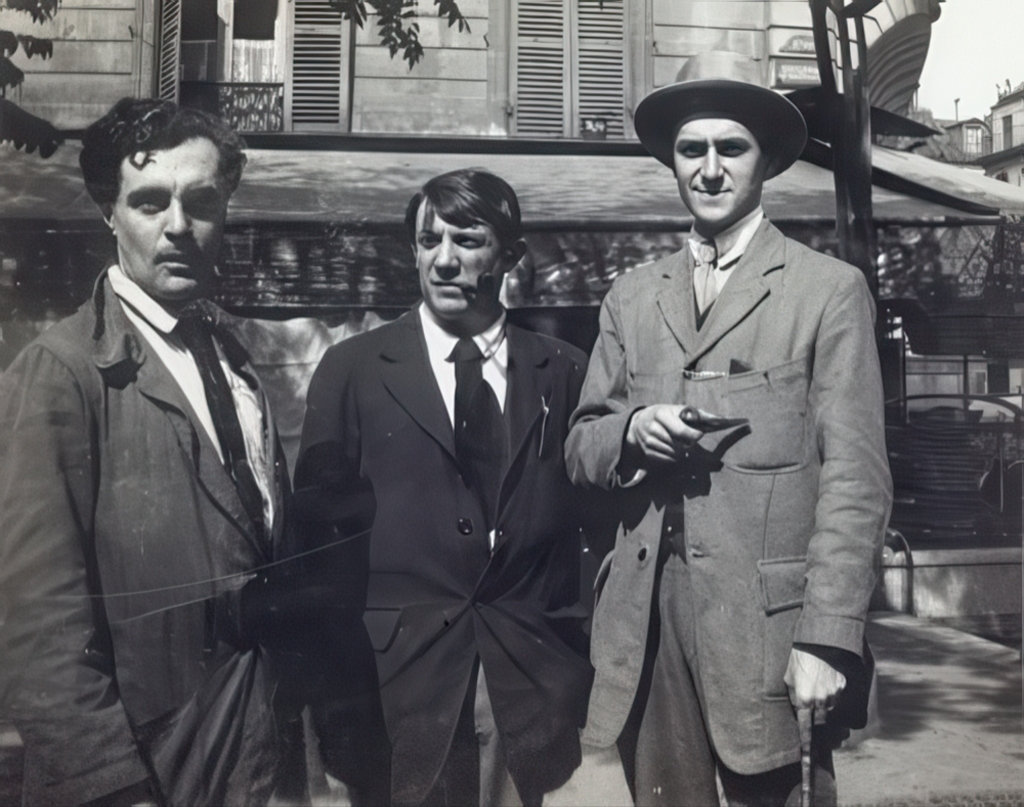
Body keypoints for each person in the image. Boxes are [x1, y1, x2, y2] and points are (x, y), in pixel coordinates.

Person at [564, 52, 893, 806]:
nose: (710, 170)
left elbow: (856, 480)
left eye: (731, 148)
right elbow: (580, 444)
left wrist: (827, 635)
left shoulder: (827, 291)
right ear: (672, 163)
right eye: (691, 150)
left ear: (766, 161)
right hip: (649, 621)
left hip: (771, 628)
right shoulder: (631, 296)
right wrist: (631, 431)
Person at [0, 98, 298, 806]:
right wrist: (112, 788)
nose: (177, 227)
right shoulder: (62, 371)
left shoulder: (232, 357)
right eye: (149, 201)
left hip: (250, 753)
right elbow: (37, 621)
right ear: (110, 212)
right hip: (143, 771)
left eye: (200, 201)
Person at [295, 169, 592, 807]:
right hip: (391, 690)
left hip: (521, 687)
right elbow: (317, 552)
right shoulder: (351, 370)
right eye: (429, 242)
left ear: (510, 256)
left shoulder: (564, 371)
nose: (445, 261)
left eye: (467, 240)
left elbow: (587, 533)